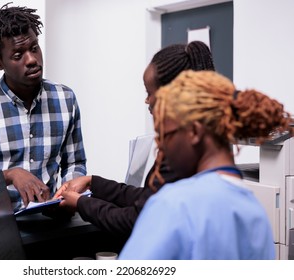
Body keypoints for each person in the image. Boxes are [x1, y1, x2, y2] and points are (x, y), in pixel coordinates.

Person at [119, 70, 292, 259]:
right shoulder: (257, 215)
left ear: (194, 132)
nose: (161, 146)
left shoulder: (174, 205)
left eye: (166, 134)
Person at [54, 41, 215, 237]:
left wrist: (81, 203)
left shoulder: (181, 153)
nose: (147, 100)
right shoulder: (196, 141)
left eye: (150, 93)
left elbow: (136, 219)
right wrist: (92, 182)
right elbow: (146, 198)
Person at [0, 4, 87, 208]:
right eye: (18, 55)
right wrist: (9, 175)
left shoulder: (65, 98)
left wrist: (67, 193)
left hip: (52, 219)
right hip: (0, 227)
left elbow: (74, 163)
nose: (32, 59)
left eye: (34, 48)